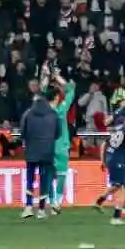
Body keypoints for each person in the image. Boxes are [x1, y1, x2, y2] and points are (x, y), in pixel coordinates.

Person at [93, 105, 125, 225]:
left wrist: (103, 160)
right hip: (118, 159)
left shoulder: (117, 128)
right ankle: (116, 216)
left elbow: (104, 144)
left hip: (111, 156)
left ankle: (98, 202)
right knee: (124, 187)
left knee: (117, 185)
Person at [20, 92, 60, 219]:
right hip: (47, 151)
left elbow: (23, 131)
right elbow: (58, 133)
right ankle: (42, 209)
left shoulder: (28, 113)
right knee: (45, 181)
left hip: (32, 150)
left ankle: (28, 207)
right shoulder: (53, 114)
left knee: (30, 179)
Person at [47, 70, 75, 215]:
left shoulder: (44, 110)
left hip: (48, 147)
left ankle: (52, 202)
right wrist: (58, 76)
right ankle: (56, 202)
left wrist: (47, 76)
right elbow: (72, 89)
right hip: (62, 146)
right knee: (62, 175)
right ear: (57, 97)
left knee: (49, 176)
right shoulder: (62, 109)